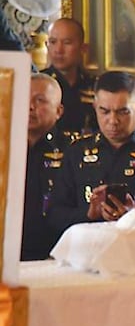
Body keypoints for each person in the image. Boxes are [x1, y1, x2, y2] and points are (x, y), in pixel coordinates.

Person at [48, 71, 135, 240]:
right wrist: (89, 214)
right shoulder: (77, 151)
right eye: (104, 111)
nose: (113, 120)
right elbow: (54, 215)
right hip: (89, 250)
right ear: (95, 107)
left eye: (123, 112)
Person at [22, 74, 69, 261]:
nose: (30, 107)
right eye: (24, 98)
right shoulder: (5, 144)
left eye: (40, 100)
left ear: (59, 111)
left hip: (54, 250)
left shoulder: (73, 151)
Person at [42, 18, 97, 134]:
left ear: (83, 48)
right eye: (53, 42)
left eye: (67, 43)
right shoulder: (38, 84)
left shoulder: (94, 85)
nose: (58, 50)